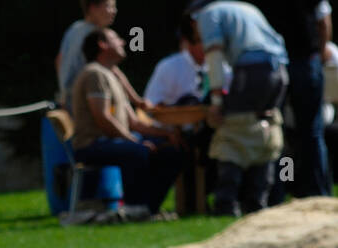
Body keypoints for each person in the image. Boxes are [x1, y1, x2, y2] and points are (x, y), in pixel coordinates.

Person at [186, 2, 290, 216]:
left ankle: (227, 203)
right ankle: (258, 202)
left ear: (193, 18)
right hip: (279, 71)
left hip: (252, 71)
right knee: (265, 127)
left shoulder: (207, 14)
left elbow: (213, 56)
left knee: (233, 130)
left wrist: (216, 101)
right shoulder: (246, 8)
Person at [71, 28, 185, 217]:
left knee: (172, 152)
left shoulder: (110, 75)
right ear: (102, 44)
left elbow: (134, 123)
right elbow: (103, 118)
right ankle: (134, 209)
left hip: (113, 142)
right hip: (92, 145)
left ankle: (148, 209)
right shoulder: (94, 74)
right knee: (139, 152)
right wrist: (134, 141)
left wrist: (167, 135)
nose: (124, 42)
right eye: (116, 38)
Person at [254, 0, 333, 197]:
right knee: (311, 133)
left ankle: (280, 191)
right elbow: (323, 20)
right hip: (305, 61)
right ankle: (316, 191)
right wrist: (320, 52)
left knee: (282, 134)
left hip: (276, 63)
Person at [144, 16, 211, 105]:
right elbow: (151, 103)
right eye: (201, 40)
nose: (209, 45)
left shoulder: (222, 67)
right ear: (188, 42)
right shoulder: (169, 66)